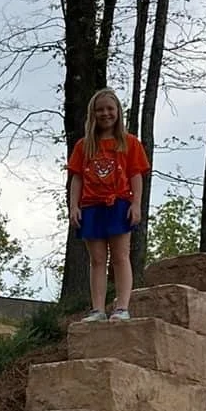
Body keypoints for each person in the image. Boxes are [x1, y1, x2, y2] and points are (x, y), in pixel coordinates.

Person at [67, 87, 150, 325]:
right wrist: (74, 206)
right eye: (100, 109)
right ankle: (97, 309)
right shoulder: (84, 146)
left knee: (120, 256)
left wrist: (136, 204)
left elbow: (136, 175)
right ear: (93, 114)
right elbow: (77, 178)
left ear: (118, 112)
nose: (105, 114)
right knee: (96, 259)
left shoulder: (130, 143)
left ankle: (122, 306)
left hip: (119, 204)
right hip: (91, 206)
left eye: (110, 109)